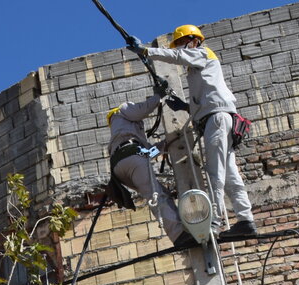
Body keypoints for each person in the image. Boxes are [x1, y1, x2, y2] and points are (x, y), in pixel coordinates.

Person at [136, 24, 257, 238]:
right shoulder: (198, 70)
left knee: (215, 174)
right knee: (229, 174)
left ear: (194, 40)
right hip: (217, 118)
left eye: (183, 43)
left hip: (216, 120)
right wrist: (183, 106)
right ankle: (246, 220)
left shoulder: (202, 53)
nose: (182, 47)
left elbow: (176, 56)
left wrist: (146, 51)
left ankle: (214, 223)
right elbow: (204, 100)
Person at [107, 94, 196, 250]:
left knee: (161, 193)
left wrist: (166, 144)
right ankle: (179, 235)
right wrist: (159, 96)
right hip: (132, 159)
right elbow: (142, 109)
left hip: (122, 167)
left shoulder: (124, 136)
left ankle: (180, 229)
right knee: (157, 196)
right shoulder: (122, 110)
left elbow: (147, 152)